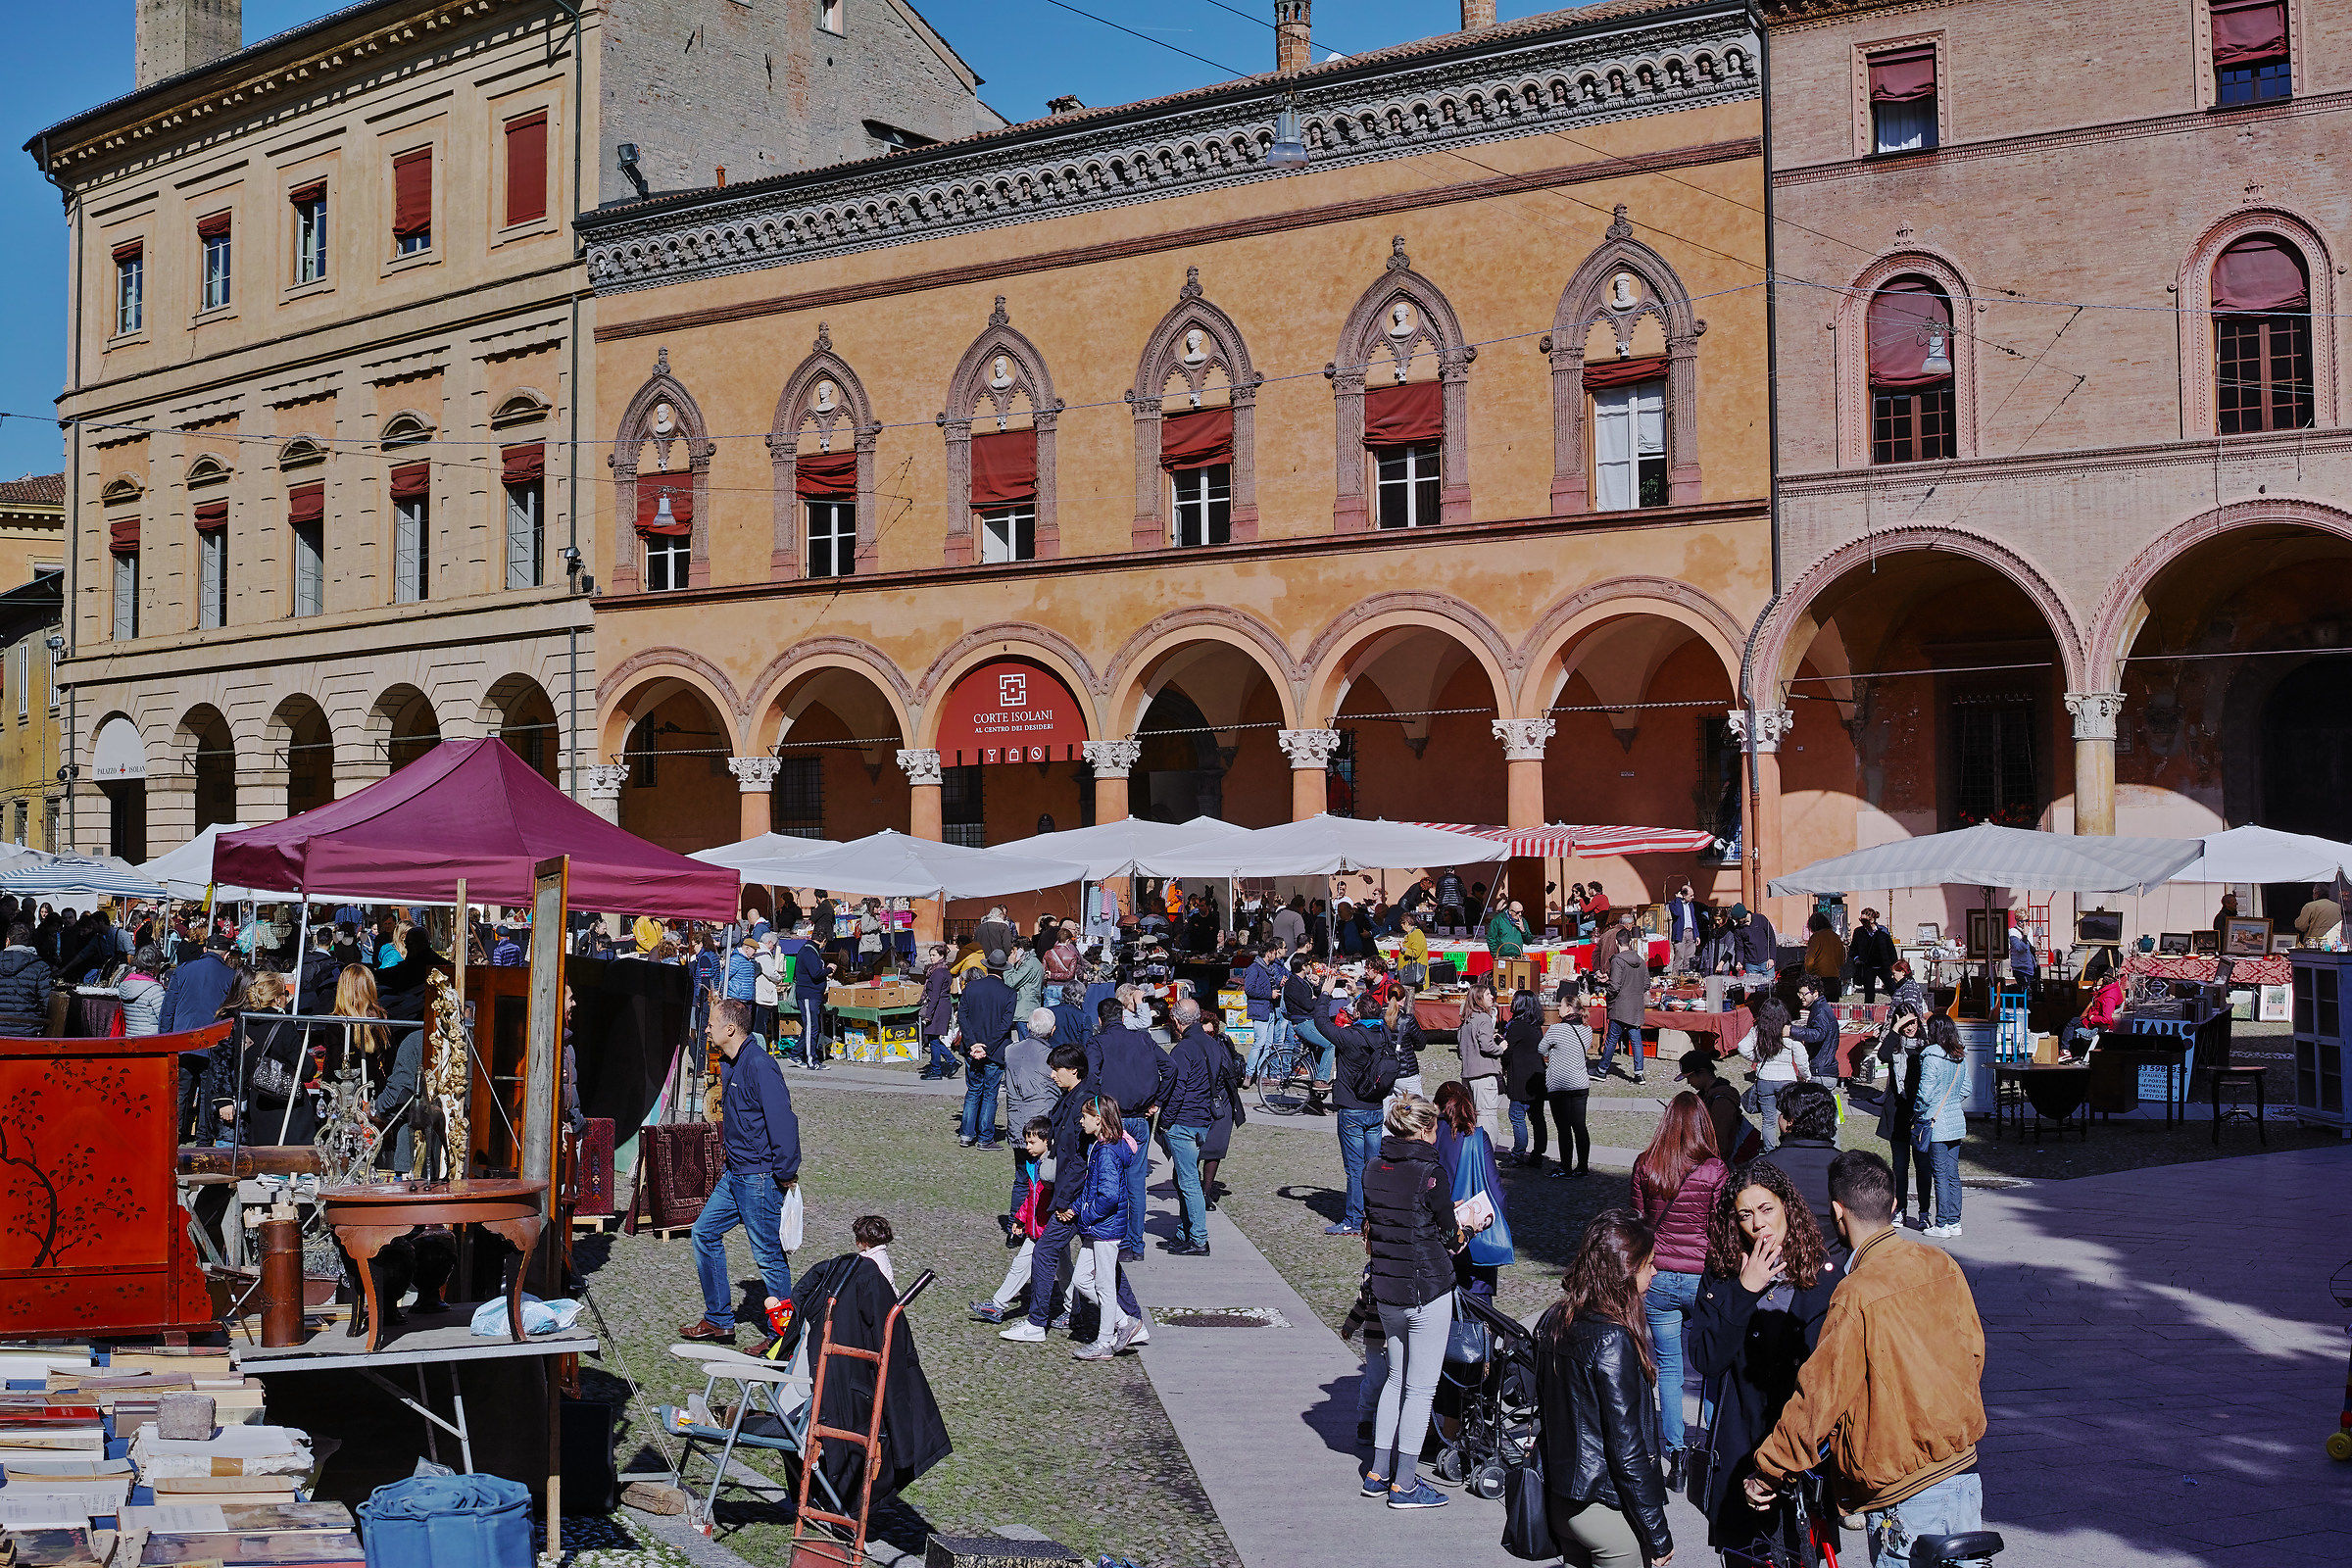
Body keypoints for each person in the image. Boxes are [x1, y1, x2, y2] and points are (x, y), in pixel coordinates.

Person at [1745, 1151, 1987, 1568]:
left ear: (1838, 1212)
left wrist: (1769, 1468)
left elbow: (1819, 1396)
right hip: (1963, 1475)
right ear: (1893, 1205)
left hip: (1905, 1492)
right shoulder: (1941, 1263)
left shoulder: (1855, 1292)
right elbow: (1973, 1355)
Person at [1688, 1160, 1845, 1560]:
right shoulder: (1723, 1274)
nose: (1759, 1224)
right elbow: (1706, 1358)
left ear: (1787, 1207)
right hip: (1742, 1450)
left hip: (1803, 1456)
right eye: (1745, 1214)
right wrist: (1744, 1291)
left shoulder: (1822, 1273)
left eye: (1767, 1209)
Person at [1535, 1210, 1673, 1568]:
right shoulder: (1613, 1338)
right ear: (1627, 1269)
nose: (1655, 1272)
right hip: (1605, 1511)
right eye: (1649, 1263)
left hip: (1562, 1500)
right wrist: (1657, 1534)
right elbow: (1627, 1448)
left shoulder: (1555, 1319)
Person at [1358, 1092, 1464, 1510]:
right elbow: (1449, 1235)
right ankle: (1405, 1483)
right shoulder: (1431, 1173)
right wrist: (1464, 1225)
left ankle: (1377, 1472)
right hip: (1425, 1289)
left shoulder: (1372, 1168)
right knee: (1421, 1390)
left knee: (1395, 1381)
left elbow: (1380, 1222)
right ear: (1424, 1129)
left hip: (1387, 1289)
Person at [1004, 1042, 1146, 1346]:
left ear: (1074, 1071)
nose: (1052, 1074)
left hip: (1075, 1198)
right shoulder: (1071, 1097)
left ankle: (1037, 1322)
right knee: (1104, 1264)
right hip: (1072, 1196)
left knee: (1044, 1252)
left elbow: (1080, 1160)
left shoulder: (1086, 1103)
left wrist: (1068, 1202)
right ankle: (1133, 1320)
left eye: (1057, 1069)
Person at [681, 998, 801, 1346]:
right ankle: (719, 1319)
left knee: (768, 1257)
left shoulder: (760, 1065)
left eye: (711, 1023)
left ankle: (783, 1336)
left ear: (729, 1029)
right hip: (735, 1173)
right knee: (704, 1233)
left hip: (759, 1177)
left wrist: (785, 1171)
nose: (706, 1028)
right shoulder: (732, 1062)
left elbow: (783, 1120)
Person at [1632, 1091, 1728, 1486]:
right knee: (1708, 1365)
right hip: (1701, 1278)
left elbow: (1637, 1221)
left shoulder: (1646, 1165)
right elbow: (1721, 1230)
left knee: (1669, 1367)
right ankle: (1707, 1446)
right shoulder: (1715, 1170)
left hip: (1659, 1276)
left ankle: (1675, 1451)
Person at [1087, 993, 1174, 1261]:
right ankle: (1136, 1245)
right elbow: (1170, 1067)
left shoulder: (1098, 1042)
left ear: (1101, 1020)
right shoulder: (1143, 1038)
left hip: (1114, 1119)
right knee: (1135, 1182)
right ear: (1123, 1017)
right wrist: (1157, 1101)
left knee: (1112, 1181)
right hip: (1140, 1118)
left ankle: (1120, 1242)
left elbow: (1091, 1076)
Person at [1065, 1093, 1147, 1361]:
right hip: (1098, 1227)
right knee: (1081, 1279)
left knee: (1104, 1285)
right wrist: (1077, 1208)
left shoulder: (1107, 1152)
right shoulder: (1101, 1147)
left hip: (1105, 1228)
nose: (1081, 1122)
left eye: (1085, 1117)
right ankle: (1124, 1323)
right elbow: (1093, 1189)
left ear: (1098, 1120)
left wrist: (1086, 1215)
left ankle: (1103, 1342)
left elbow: (1109, 1196)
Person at [1326, 989, 1397, 1237]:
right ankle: (1376, 1216)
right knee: (1373, 1166)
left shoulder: (1350, 1036)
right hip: (1376, 1107)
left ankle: (1354, 1220)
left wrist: (1325, 995)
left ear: (1357, 1013)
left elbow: (1320, 1023)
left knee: (1355, 1169)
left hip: (1352, 1110)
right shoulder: (1384, 1034)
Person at [972, 1117, 1056, 1323]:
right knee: (1063, 1272)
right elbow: (1031, 1197)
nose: (1027, 1147)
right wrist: (1020, 1218)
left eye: (1031, 1142)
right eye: (1026, 1142)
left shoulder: (1051, 1168)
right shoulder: (1035, 1165)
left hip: (1048, 1228)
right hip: (1039, 1227)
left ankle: (998, 1305)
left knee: (1025, 1266)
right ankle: (1074, 1309)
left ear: (1047, 1141)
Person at [1160, 997, 1222, 1257]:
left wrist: (1165, 1120)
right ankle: (1185, 1233)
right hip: (1202, 1120)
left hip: (1185, 1121)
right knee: (1182, 1177)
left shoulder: (1183, 1050)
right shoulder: (1212, 1043)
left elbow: (1177, 1089)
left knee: (1188, 1182)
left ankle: (1198, 1238)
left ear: (1175, 1021)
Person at [1432, 1080, 1505, 1296]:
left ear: (1436, 1107)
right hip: (1472, 1236)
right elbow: (1496, 1194)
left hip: (1435, 1240)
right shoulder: (1476, 1138)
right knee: (1477, 1317)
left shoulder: (1428, 1136)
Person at [1873, 1003, 1936, 1228]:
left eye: (1912, 1022)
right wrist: (1896, 1027)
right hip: (1898, 1111)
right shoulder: (1895, 1044)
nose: (1909, 1027)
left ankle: (1924, 1212)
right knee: (1899, 1165)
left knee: (1922, 1165)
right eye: (1904, 1023)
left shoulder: (1926, 1045)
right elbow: (1882, 1055)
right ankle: (1900, 1208)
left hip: (1919, 1112)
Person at [1004, 1007, 1063, 1227]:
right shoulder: (1050, 1058)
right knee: (1043, 1176)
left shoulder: (1010, 1051)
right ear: (1052, 1031)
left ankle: (1014, 1224)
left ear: (1028, 1027)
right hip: (1041, 1124)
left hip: (1018, 1122)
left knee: (1021, 1177)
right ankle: (1037, 1223)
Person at [1912, 1016, 1969, 1239]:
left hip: (1936, 1122)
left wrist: (1919, 1112)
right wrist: (1952, 1100)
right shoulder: (1959, 1056)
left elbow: (1924, 1094)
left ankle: (1942, 1223)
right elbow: (1967, 1088)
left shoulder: (1931, 1057)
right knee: (1953, 1174)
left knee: (1940, 1174)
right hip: (1956, 1120)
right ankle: (1955, 1221)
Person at [956, 953, 1016, 1150]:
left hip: (973, 1049)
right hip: (994, 1050)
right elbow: (1004, 1026)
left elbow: (962, 1017)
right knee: (990, 1094)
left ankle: (966, 1134)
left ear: (987, 967)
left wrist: (974, 1044)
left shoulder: (971, 988)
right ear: (1003, 970)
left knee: (973, 1091)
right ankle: (984, 1138)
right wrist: (986, 1047)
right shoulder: (1009, 993)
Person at [1766, 1080, 1841, 1238]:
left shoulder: (1762, 1167)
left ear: (1790, 1121)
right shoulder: (1849, 1166)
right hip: (1837, 1256)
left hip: (1779, 1256)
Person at [1540, 977, 1593, 1179]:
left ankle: (1565, 1166)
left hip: (1559, 1085)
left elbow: (1541, 1048)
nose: (1558, 1008)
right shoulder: (1586, 1030)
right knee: (1579, 1126)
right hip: (1580, 1084)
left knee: (1563, 1128)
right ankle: (1583, 1166)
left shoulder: (1556, 1029)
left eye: (1561, 1005)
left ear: (1569, 1009)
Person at [1736, 999, 1806, 1152]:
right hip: (1787, 1079)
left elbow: (1742, 1046)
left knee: (1768, 1121)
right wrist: (1805, 1074)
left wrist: (1756, 1058)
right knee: (1788, 1117)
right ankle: (1787, 1148)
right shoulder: (1789, 1031)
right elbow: (1801, 1055)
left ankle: (1769, 1150)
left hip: (1765, 1079)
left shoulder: (1757, 1030)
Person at [1500, 989, 1548, 1167]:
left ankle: (1518, 1154)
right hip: (1536, 1076)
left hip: (1521, 1078)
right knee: (1537, 1118)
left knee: (1517, 1116)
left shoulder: (1517, 1026)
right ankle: (1537, 1154)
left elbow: (1507, 1052)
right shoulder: (1535, 1025)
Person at [1600, 914, 1651, 1084]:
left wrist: (1607, 989)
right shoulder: (1641, 960)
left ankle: (1601, 1070)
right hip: (1635, 1008)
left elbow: (1615, 986)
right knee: (1636, 1041)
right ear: (1629, 942)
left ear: (1616, 943)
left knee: (1611, 1040)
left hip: (1620, 1008)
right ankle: (1639, 1073)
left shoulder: (1618, 961)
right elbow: (1646, 985)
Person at [1678, 1049, 1748, 1167]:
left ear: (1702, 1072)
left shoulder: (1721, 1102)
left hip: (1720, 1164)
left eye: (1689, 1077)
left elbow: (1720, 1143)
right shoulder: (1706, 1095)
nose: (1689, 1083)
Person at [1456, 979, 1505, 1143]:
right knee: (1487, 1116)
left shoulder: (1466, 1019)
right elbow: (1486, 1046)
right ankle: (1487, 1154)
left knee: (1473, 1116)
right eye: (1487, 994)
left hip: (1468, 1074)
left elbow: (1462, 1047)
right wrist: (1501, 1048)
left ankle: (1475, 1151)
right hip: (1483, 1075)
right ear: (1478, 999)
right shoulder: (1483, 1018)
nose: (1491, 996)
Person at [778, 920, 831, 1069]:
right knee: (812, 1028)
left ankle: (795, 1054)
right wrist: (829, 969)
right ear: (823, 941)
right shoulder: (809, 952)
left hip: (812, 994)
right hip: (808, 995)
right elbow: (815, 974)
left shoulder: (809, 950)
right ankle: (811, 1060)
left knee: (810, 1028)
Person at [0, 920, 54, 1038]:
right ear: (29, 944)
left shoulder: (40, 966)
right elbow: (47, 1005)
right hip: (28, 1031)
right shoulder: (41, 967)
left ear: (7, 941)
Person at [1787, 976, 1844, 1082]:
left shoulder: (1820, 1011)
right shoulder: (1819, 1008)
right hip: (1824, 1070)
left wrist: (1791, 1030)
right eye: (1799, 994)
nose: (1801, 997)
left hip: (1821, 1073)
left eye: (1804, 994)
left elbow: (1817, 1034)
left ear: (1815, 993)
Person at [2059, 970, 2122, 1063]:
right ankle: (2070, 1051)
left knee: (2070, 1024)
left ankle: (2065, 1051)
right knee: (2072, 1022)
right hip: (2093, 1018)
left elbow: (2107, 1019)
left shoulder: (2108, 997)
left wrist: (2093, 1018)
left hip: (2095, 1022)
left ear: (2104, 983)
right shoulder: (2110, 990)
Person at [918, 944, 959, 1081]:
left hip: (938, 1007)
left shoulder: (937, 973)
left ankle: (937, 1069)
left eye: (934, 955)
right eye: (930, 955)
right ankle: (952, 1061)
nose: (931, 958)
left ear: (941, 956)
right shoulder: (943, 970)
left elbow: (935, 995)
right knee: (933, 1038)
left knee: (933, 1038)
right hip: (942, 1006)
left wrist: (928, 1015)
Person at [1384, 985, 1426, 1099]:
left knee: (1389, 1112)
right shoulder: (1408, 1019)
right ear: (1404, 999)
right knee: (1415, 1110)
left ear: (1387, 998)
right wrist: (1409, 1045)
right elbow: (1421, 1044)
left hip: (1384, 1071)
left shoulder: (1379, 1018)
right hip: (1406, 1071)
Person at [118, 945, 168, 1037]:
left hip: (130, 1039)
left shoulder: (125, 984)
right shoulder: (154, 989)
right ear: (154, 966)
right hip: (150, 1042)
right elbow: (164, 1018)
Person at [1848, 908, 1897, 1002]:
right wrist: (1857, 959)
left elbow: (1891, 950)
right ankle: (1869, 1014)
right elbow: (1853, 949)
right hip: (1867, 966)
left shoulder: (1883, 931)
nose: (1862, 923)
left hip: (1884, 966)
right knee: (1869, 994)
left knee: (1892, 990)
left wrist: (1894, 966)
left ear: (1872, 920)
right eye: (1861, 920)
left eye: (1864, 920)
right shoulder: (1859, 932)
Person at [1725, 902, 1778, 980]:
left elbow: (1771, 939)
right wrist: (1739, 961)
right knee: (1753, 990)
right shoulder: (1738, 929)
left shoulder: (1761, 919)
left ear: (1742, 916)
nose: (1736, 922)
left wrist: (1772, 958)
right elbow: (1740, 948)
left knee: (1769, 988)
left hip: (1766, 962)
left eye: (1737, 920)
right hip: (1751, 965)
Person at [1802, 912, 1845, 1002]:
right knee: (1832, 1008)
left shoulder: (1816, 937)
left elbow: (1809, 960)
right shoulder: (1836, 937)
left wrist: (1808, 973)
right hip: (1834, 979)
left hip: (1819, 979)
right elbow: (1841, 960)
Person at [1666, 882, 1703, 974]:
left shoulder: (1691, 905)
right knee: (1679, 958)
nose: (1693, 897)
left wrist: (1697, 935)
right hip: (1680, 934)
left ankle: (1687, 980)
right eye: (1691, 895)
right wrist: (1678, 899)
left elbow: (1693, 920)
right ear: (1683, 895)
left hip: (1691, 933)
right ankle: (1676, 979)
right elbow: (1677, 913)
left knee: (1689, 959)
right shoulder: (1674, 904)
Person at [1004, 940, 1045, 1022]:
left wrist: (1010, 965)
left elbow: (1010, 982)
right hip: (1027, 1009)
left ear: (1021, 949)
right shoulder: (1031, 961)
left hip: (1025, 1011)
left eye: (1014, 950)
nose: (1011, 952)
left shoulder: (1028, 964)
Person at [2295, 882, 2344, 947]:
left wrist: (2296, 921)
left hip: (2315, 945)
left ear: (2316, 894)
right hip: (2333, 944)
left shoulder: (2310, 906)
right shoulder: (2337, 907)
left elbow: (2301, 926)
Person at [1433, 868, 1467, 932]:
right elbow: (1463, 893)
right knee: (1458, 925)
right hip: (1457, 904)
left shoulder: (1441, 879)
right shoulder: (1458, 879)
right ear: (1453, 871)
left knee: (1444, 924)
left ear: (1445, 871)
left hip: (1444, 905)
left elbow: (1437, 894)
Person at [2005, 920, 2036, 988]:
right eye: (2022, 921)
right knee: (2023, 989)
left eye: (2026, 921)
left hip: (2029, 967)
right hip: (2020, 968)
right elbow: (2019, 948)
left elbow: (2030, 948)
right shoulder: (2013, 932)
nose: (2024, 924)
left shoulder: (2029, 930)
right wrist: (2025, 936)